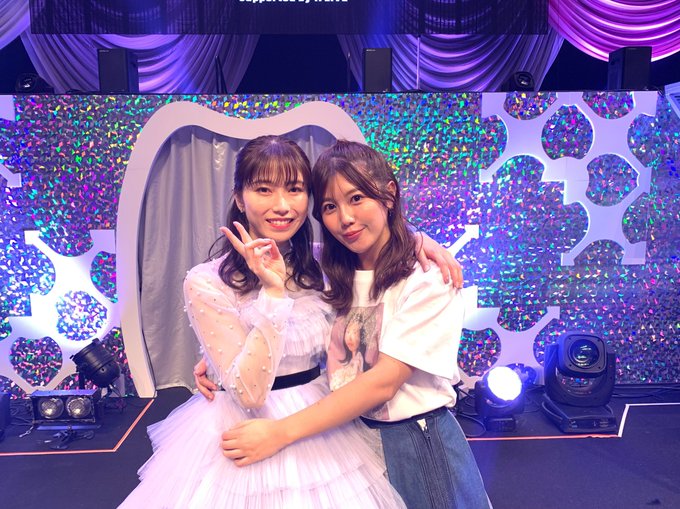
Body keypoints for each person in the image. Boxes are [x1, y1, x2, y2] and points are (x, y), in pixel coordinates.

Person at [119, 135, 406, 508]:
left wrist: (422, 244)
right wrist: (272, 294)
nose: (282, 205)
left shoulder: (323, 264)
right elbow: (250, 394)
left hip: (319, 418)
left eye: (295, 189)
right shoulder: (207, 281)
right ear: (240, 198)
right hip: (242, 426)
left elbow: (383, 244)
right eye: (264, 189)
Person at [218, 140, 492, 509]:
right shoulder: (329, 273)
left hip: (414, 443)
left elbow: (383, 382)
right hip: (349, 436)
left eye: (357, 198)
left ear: (388, 195)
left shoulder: (427, 279)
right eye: (330, 207)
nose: (345, 218)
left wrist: (280, 432)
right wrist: (220, 356)